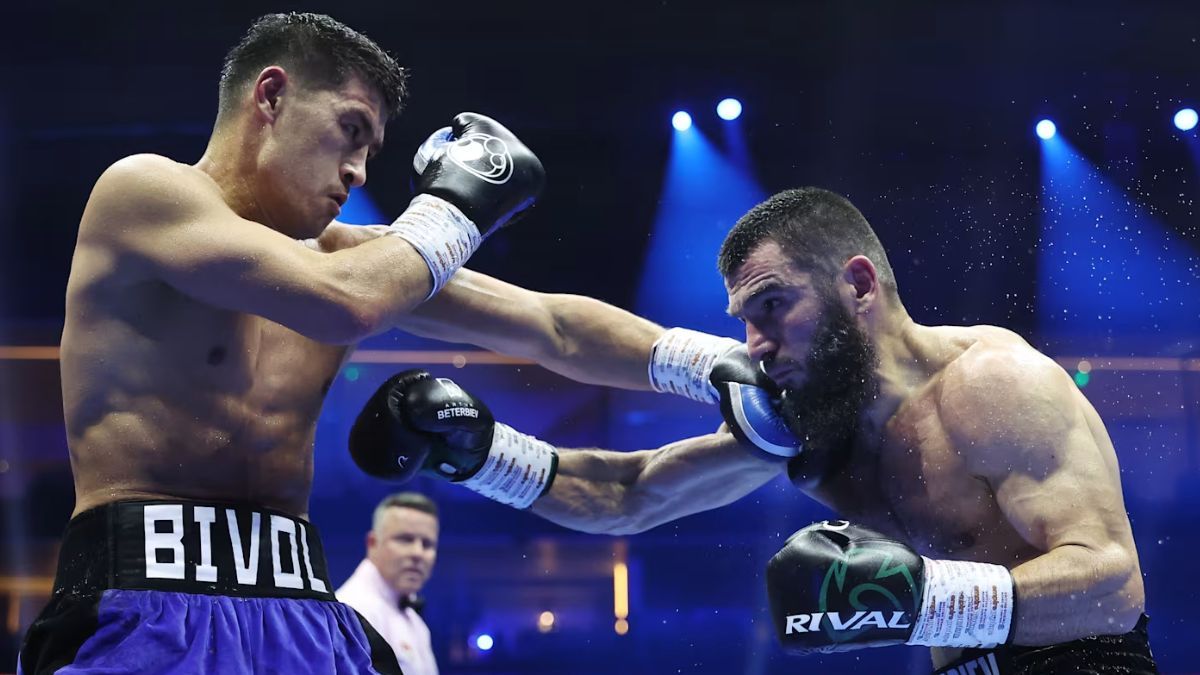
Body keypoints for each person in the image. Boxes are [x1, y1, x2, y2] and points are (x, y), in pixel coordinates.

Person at [19, 11, 776, 674]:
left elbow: (553, 325)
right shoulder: (142, 193)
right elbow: (345, 306)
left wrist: (718, 365)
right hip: (142, 612)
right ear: (272, 96)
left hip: (301, 617)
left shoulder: (350, 257)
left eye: (373, 151)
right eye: (350, 130)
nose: (356, 170)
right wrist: (453, 206)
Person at [356, 187, 1158, 674]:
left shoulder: (994, 384)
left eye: (773, 305)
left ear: (857, 284)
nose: (756, 345)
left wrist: (922, 602)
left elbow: (1114, 587)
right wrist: (485, 453)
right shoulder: (812, 421)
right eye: (743, 320)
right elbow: (627, 494)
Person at [338, 493, 441, 675]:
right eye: (405, 539)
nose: (418, 553)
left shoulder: (413, 619)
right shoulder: (353, 612)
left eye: (427, 544)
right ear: (373, 543)